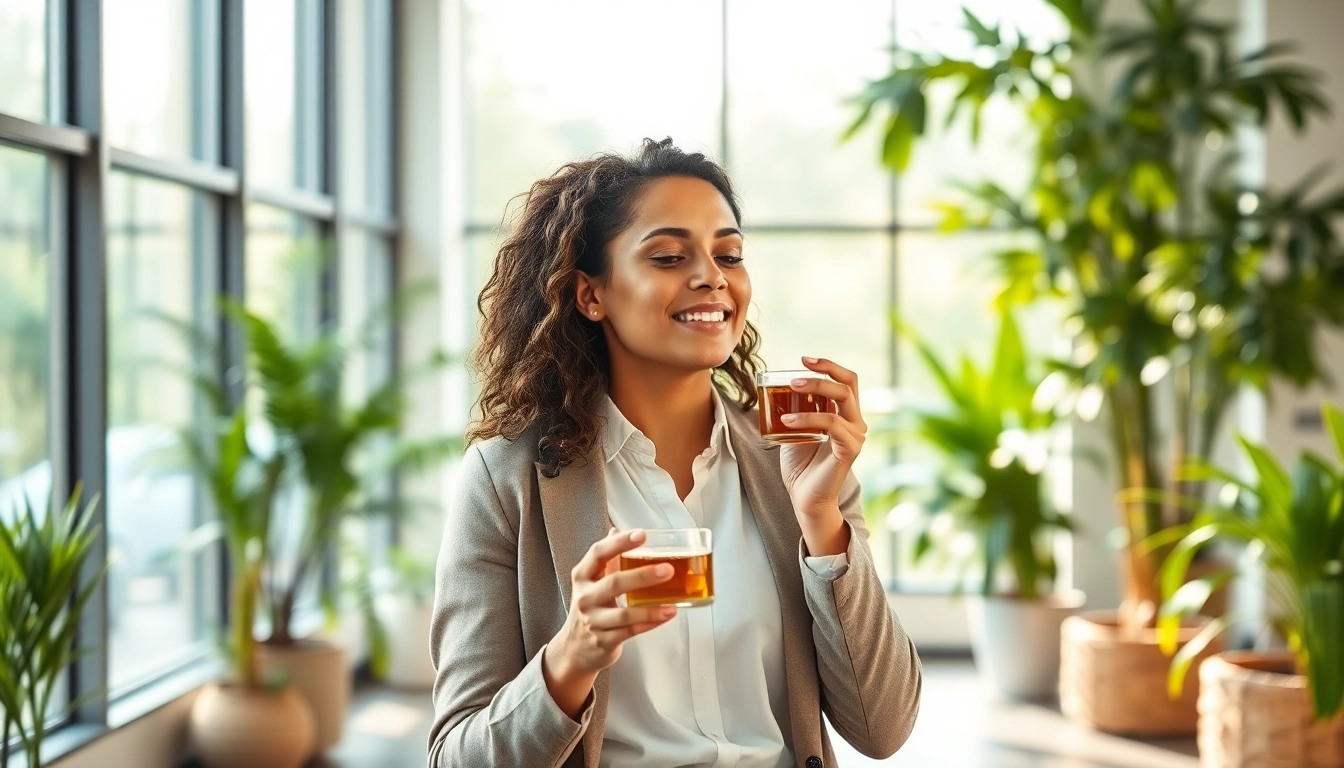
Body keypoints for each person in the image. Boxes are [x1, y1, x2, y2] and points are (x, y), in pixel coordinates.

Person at [427, 138, 922, 768]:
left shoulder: (796, 465)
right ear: (590, 294)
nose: (711, 276)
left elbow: (885, 730)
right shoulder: (506, 480)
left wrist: (823, 521)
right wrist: (571, 656)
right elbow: (456, 757)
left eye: (729, 254)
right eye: (666, 255)